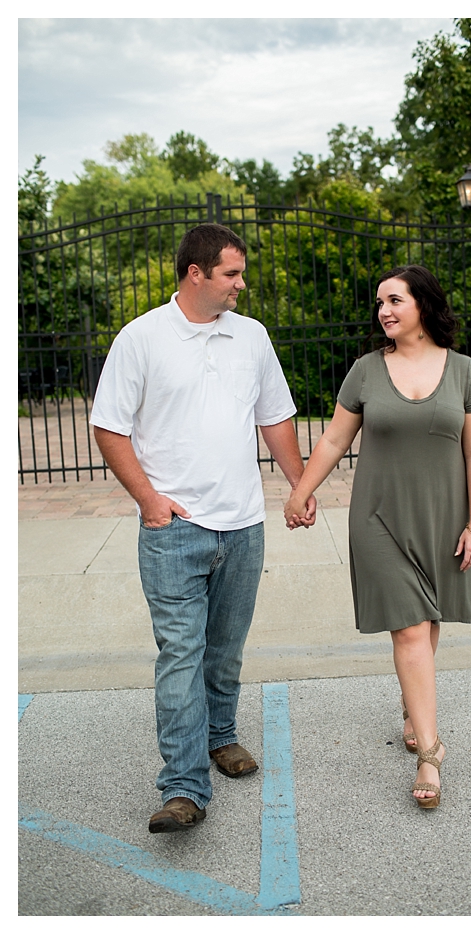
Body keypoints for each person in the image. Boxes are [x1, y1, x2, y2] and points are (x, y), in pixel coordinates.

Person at [91, 224, 312, 833]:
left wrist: (300, 485)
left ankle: (221, 736)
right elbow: (109, 426)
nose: (242, 284)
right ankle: (184, 787)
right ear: (196, 274)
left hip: (243, 525)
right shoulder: (141, 339)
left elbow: (276, 418)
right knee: (181, 654)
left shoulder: (252, 336)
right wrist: (149, 500)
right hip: (174, 530)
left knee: (225, 647)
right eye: (232, 274)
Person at [284, 264, 471, 809]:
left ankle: (412, 706)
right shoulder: (365, 371)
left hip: (444, 519)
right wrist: (300, 491)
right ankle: (431, 751)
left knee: (427, 625)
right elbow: (334, 440)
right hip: (378, 519)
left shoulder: (465, 372)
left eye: (395, 300)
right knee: (408, 629)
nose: (384, 311)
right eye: (380, 302)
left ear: (422, 304)